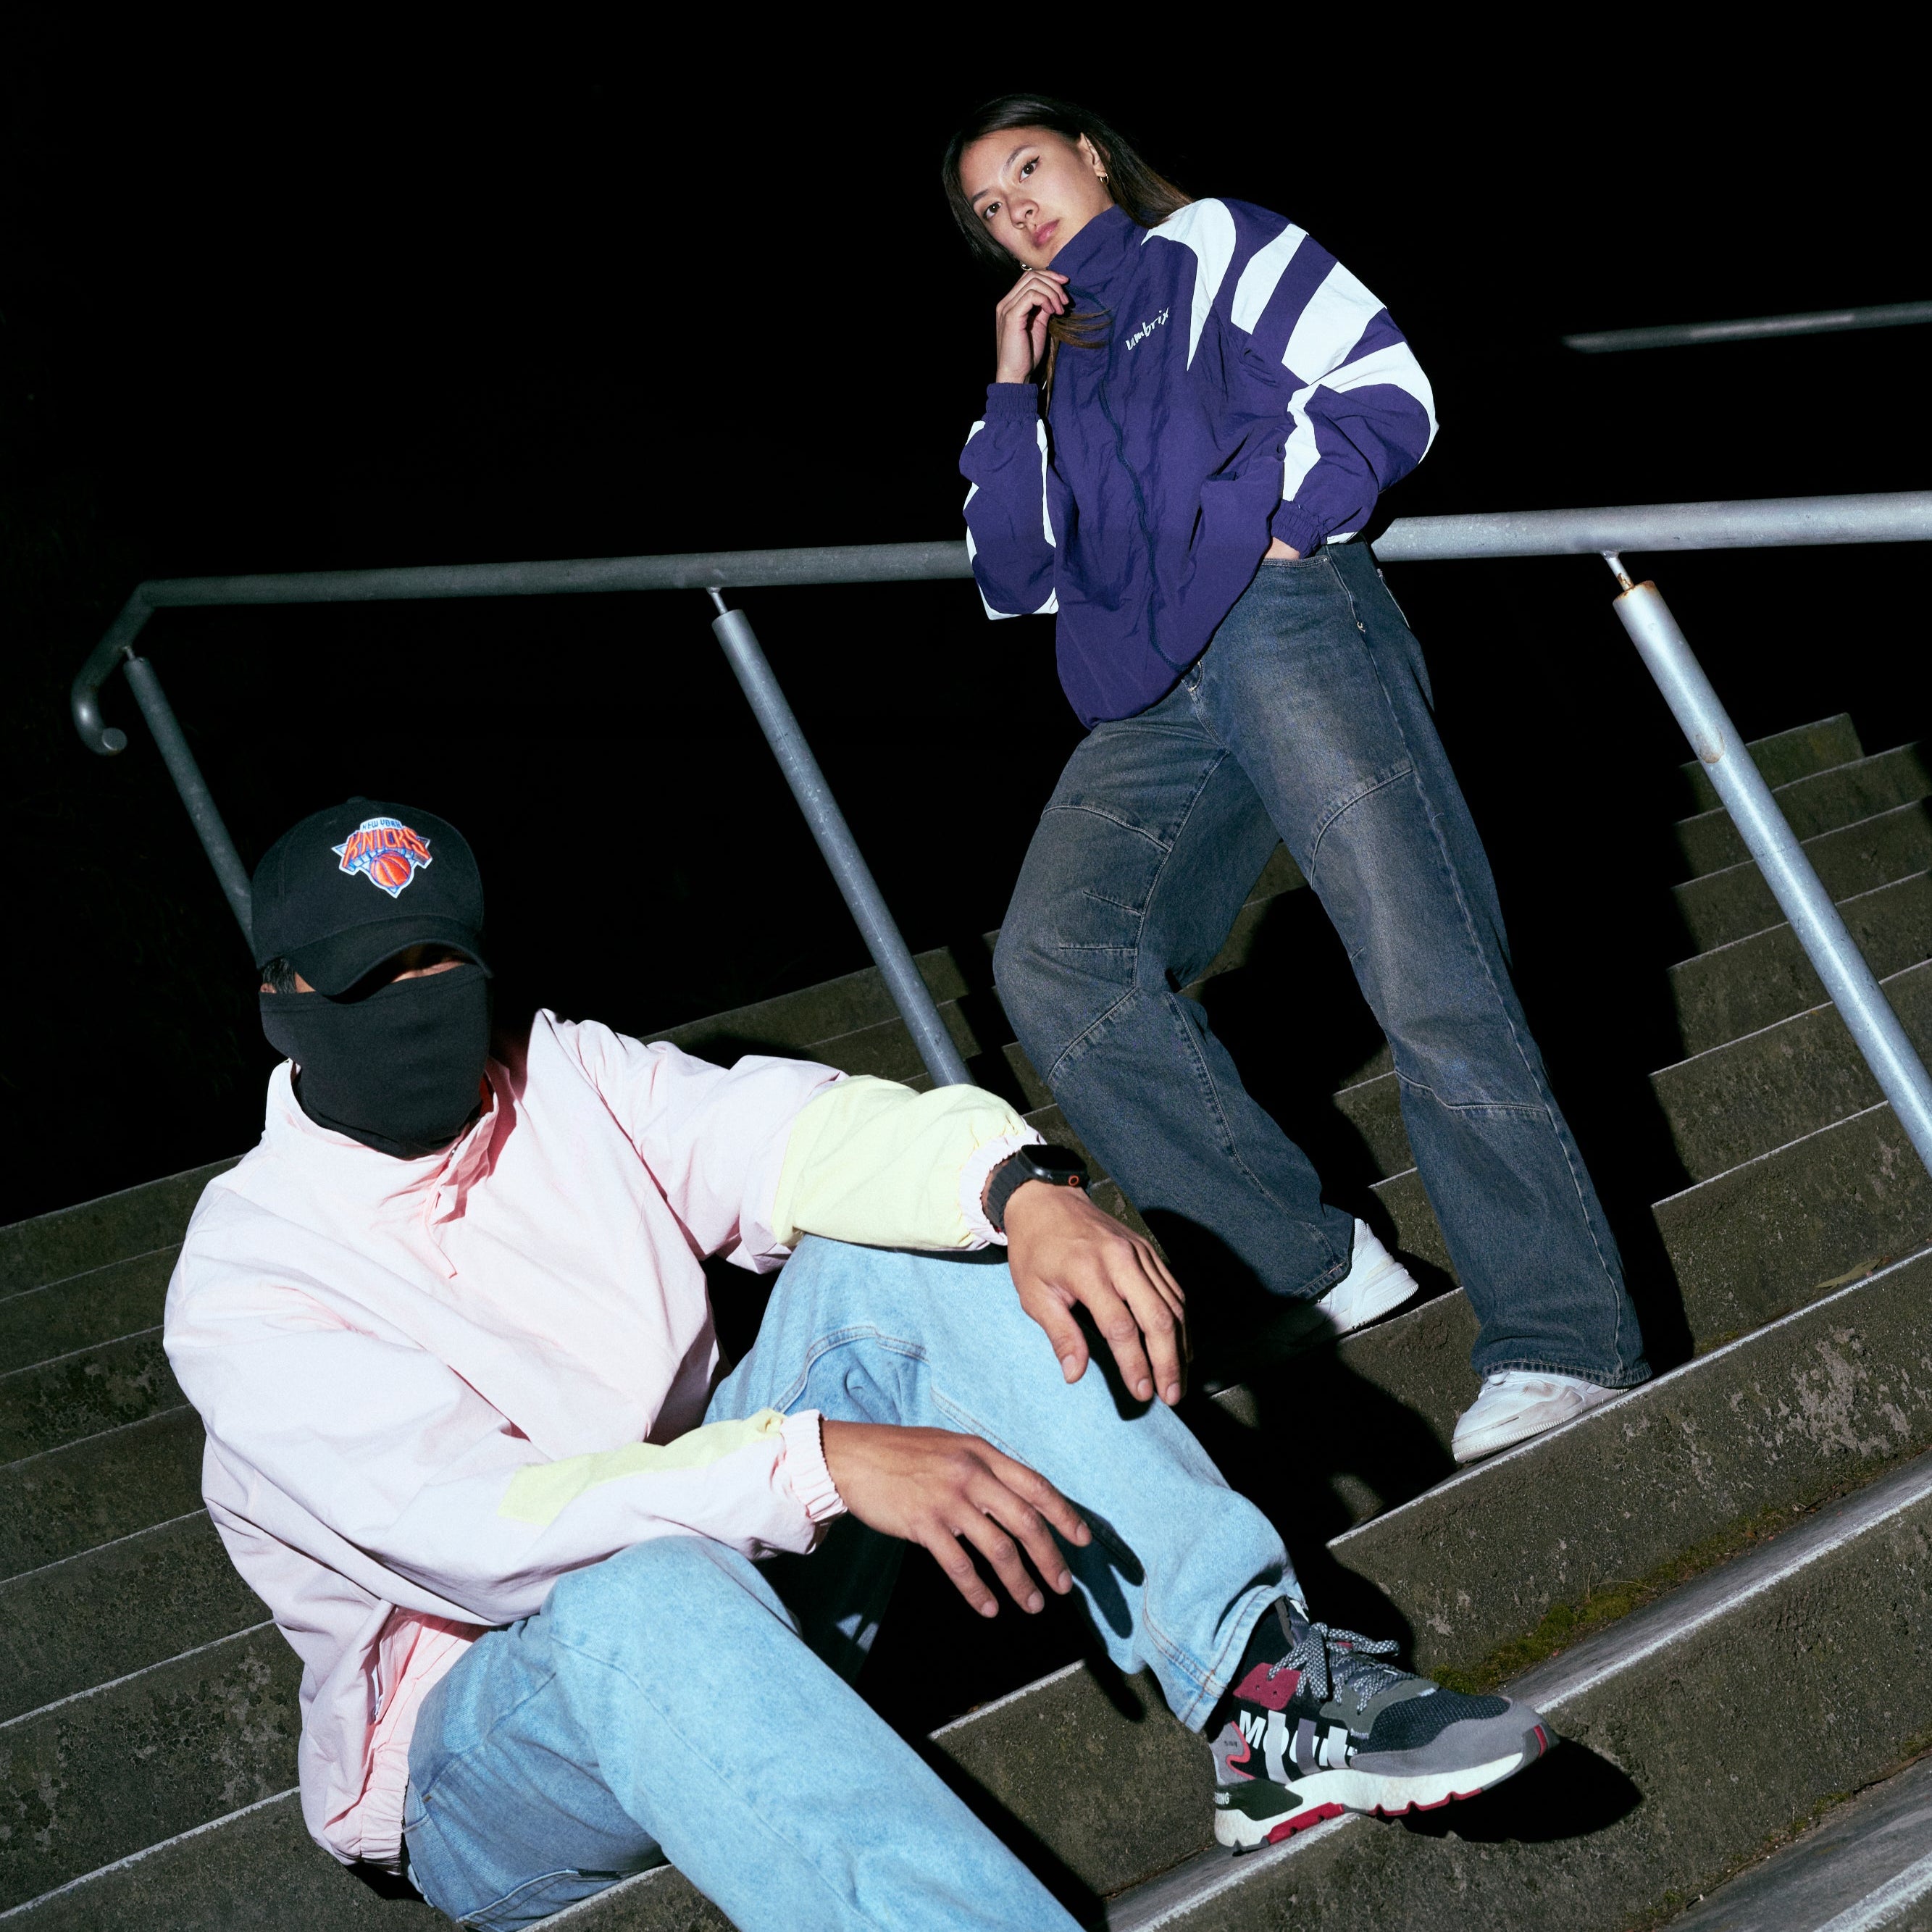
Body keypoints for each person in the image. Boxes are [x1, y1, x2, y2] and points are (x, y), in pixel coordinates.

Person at [164, 798, 1550, 1931]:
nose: (419, 1007)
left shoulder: (563, 1077)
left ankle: (1261, 1692)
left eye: (440, 967)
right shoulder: (250, 1280)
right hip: (490, 1756)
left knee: (904, 1252)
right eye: (370, 983)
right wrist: (811, 1459)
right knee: (633, 1596)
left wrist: (1019, 1186)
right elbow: (481, 1533)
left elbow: (793, 1136)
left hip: (729, 1575)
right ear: (283, 1001)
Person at [946, 96, 1650, 1462]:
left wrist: (1289, 526)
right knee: (1056, 960)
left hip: (1283, 624)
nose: (1016, 206)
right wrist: (1012, 381)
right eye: (987, 206)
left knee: (1421, 957)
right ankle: (1309, 1270)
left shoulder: (1213, 244)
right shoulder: (1052, 360)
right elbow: (1012, 574)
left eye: (1028, 168)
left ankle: (1565, 1337)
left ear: (1091, 156)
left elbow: (1384, 383)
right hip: (1150, 692)